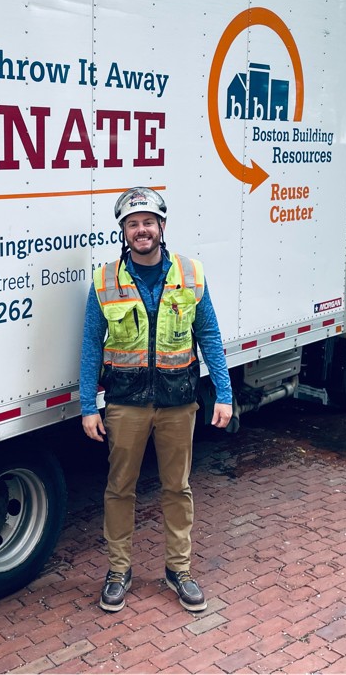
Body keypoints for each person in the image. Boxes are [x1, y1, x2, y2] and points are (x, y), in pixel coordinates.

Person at [80, 186, 233, 613]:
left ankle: (179, 570)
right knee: (119, 489)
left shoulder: (191, 273)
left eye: (148, 222)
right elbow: (92, 344)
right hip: (126, 403)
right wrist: (88, 407)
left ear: (162, 227)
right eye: (133, 224)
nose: (141, 230)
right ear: (124, 232)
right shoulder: (106, 279)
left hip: (178, 402)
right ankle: (118, 570)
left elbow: (210, 337)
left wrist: (224, 392)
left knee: (177, 488)